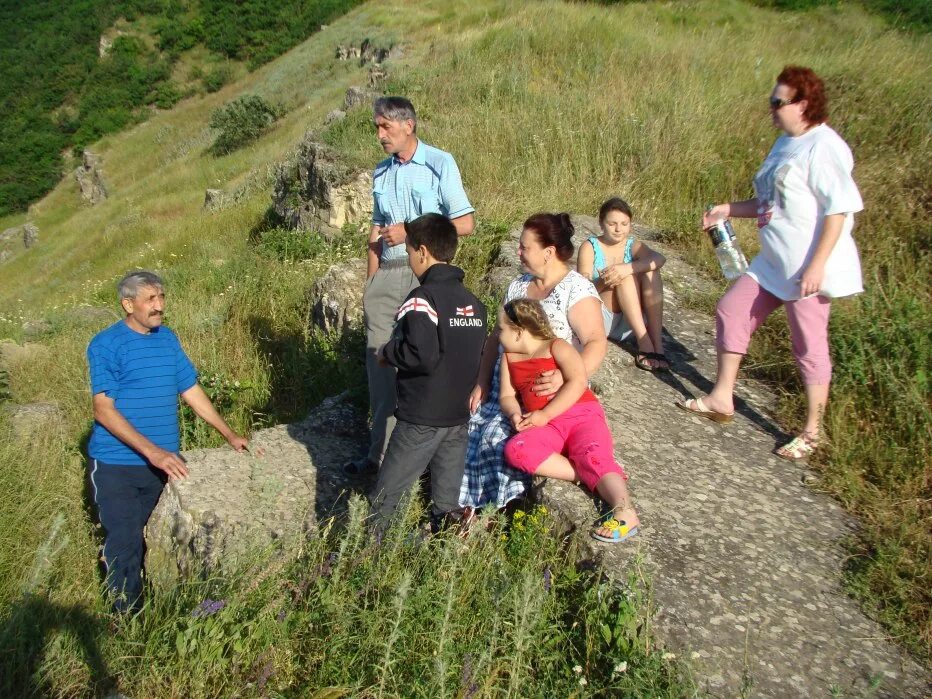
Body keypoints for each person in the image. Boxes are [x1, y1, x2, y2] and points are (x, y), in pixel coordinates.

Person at [676, 65, 864, 461]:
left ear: (804, 104)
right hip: (773, 262)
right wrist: (727, 209)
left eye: (778, 103)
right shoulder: (785, 143)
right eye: (771, 101)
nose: (772, 109)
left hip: (806, 267)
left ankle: (812, 431)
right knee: (732, 309)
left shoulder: (823, 147)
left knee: (808, 345)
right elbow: (769, 204)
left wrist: (817, 265)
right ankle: (722, 397)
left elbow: (839, 211)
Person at [87, 271, 249, 613]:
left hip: (163, 463)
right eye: (150, 300)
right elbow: (103, 410)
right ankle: (126, 620)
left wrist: (229, 433)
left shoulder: (167, 339)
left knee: (160, 538)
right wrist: (154, 452)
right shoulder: (106, 344)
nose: (159, 306)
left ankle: (164, 607)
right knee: (125, 541)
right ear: (128, 304)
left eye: (161, 298)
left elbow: (190, 390)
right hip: (118, 465)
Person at [345, 96, 476, 476]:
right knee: (380, 366)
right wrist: (371, 283)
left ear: (408, 126)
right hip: (386, 277)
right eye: (376, 127)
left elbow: (464, 223)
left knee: (425, 364)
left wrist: (411, 231)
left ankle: (428, 466)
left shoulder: (439, 163)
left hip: (427, 274)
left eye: (385, 127)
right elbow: (375, 231)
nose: (379, 135)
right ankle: (379, 459)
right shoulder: (381, 172)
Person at [461, 213, 607, 510]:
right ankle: (464, 507)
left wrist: (569, 376)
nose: (519, 252)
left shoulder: (575, 289)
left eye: (525, 247)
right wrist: (481, 379)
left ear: (548, 252)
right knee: (463, 425)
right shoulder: (518, 285)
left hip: (545, 397)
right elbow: (496, 336)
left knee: (497, 439)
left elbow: (595, 341)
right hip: (506, 389)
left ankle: (496, 510)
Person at [368, 214, 487, 533]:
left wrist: (386, 352)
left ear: (422, 251)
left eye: (408, 253)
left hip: (420, 418)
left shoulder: (422, 299)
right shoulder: (474, 304)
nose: (410, 261)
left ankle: (367, 563)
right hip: (457, 420)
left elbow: (419, 354)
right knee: (446, 506)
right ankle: (445, 555)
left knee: (386, 500)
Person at [499, 299, 639, 542]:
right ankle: (586, 473)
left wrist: (545, 414)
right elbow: (507, 395)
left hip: (581, 415)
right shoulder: (509, 358)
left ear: (520, 332)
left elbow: (578, 381)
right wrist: (514, 414)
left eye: (502, 329)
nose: (498, 334)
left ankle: (624, 509)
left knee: (593, 454)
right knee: (516, 450)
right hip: (548, 426)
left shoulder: (557, 346)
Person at [577, 197, 669, 371]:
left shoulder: (632, 245)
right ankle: (645, 344)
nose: (619, 229)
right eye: (612, 224)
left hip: (630, 323)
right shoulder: (590, 247)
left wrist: (628, 268)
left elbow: (659, 259)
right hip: (602, 320)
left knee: (650, 270)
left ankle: (657, 345)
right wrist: (604, 282)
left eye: (624, 224)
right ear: (601, 224)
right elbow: (581, 290)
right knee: (624, 277)